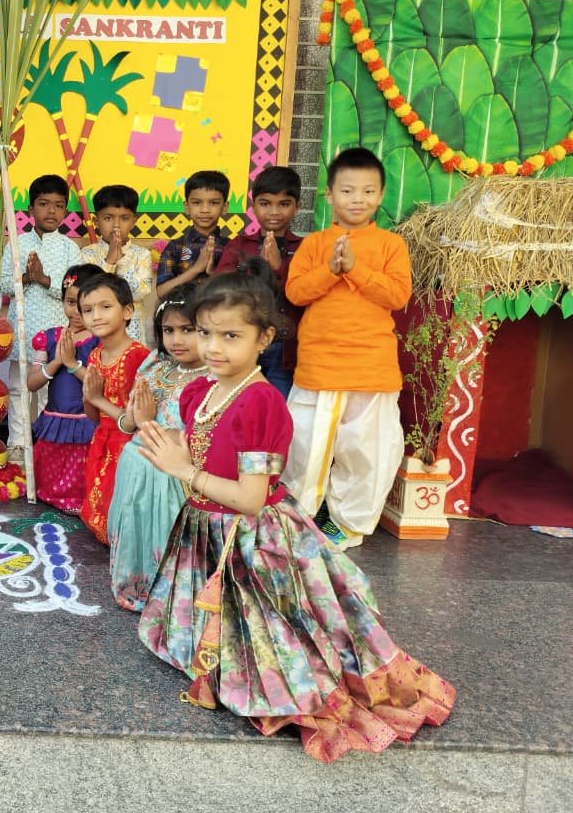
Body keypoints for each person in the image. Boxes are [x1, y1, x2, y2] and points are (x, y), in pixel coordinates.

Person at [135, 271, 452, 761]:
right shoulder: (198, 392)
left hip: (252, 538)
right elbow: (201, 453)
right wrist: (163, 441)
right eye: (204, 332)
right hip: (206, 529)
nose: (213, 347)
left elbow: (251, 498)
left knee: (278, 635)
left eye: (231, 336)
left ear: (264, 339)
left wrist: (185, 471)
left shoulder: (261, 403)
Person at [280, 148, 411, 551]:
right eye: (349, 190)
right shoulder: (316, 244)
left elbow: (397, 295)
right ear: (329, 195)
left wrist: (355, 268)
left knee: (365, 454)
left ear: (381, 194)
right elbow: (296, 292)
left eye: (368, 191)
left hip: (370, 368)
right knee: (304, 448)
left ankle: (344, 526)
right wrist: (332, 269)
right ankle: (296, 519)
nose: (359, 199)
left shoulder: (391, 244)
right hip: (318, 366)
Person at [106, 287, 206, 612]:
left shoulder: (212, 378)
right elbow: (127, 422)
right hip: (135, 464)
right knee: (134, 529)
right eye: (169, 330)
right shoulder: (154, 366)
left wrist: (149, 423)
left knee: (164, 535)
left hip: (169, 476)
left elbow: (198, 440)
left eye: (187, 330)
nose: (177, 340)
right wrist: (134, 419)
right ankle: (134, 587)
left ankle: (166, 598)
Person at [0, 174, 82, 453]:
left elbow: (77, 289)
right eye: (44, 204)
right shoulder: (18, 243)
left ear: (66, 212)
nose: (51, 211)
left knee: (52, 390)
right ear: (30, 210)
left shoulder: (71, 248)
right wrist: (27, 276)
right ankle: (18, 446)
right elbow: (4, 284)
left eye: (59, 205)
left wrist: (45, 279)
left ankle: (47, 445)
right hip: (22, 332)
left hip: (56, 335)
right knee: (18, 389)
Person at [214, 165, 303, 397]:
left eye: (283, 204)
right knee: (237, 403)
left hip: (286, 350)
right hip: (243, 344)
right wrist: (259, 271)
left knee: (278, 406)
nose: (274, 211)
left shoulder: (305, 248)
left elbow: (304, 295)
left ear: (297, 207)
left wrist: (277, 269)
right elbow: (222, 289)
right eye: (265, 203)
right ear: (253, 206)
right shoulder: (240, 245)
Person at [77, 272, 150, 543]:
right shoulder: (95, 354)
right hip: (103, 440)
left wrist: (96, 398)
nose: (96, 315)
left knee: (118, 510)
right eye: (87, 310)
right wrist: (90, 397)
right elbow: (93, 416)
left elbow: (136, 420)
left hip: (128, 445)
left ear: (128, 310)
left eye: (105, 307)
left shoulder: (137, 356)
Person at [26, 264, 103, 514]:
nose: (77, 312)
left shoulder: (101, 342)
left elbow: (99, 385)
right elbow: (31, 382)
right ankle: (51, 497)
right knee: (49, 477)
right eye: (71, 302)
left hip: (86, 422)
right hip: (54, 421)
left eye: (85, 306)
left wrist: (71, 364)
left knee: (84, 474)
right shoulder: (48, 338)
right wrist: (57, 360)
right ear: (62, 300)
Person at [80, 184, 152, 343]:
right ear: (96, 221)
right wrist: (110, 261)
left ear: (134, 221)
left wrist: (122, 261)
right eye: (108, 218)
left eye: (124, 218)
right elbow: (90, 294)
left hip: (132, 337)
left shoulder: (142, 255)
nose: (116, 225)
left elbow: (140, 293)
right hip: (97, 338)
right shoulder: (87, 254)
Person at [156, 170, 231, 299]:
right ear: (187, 207)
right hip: (181, 316)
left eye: (213, 203)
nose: (205, 210)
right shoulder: (175, 246)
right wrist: (196, 268)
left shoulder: (231, 247)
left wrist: (214, 272)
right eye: (197, 203)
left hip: (218, 316)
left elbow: (239, 291)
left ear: (224, 207)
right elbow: (162, 292)